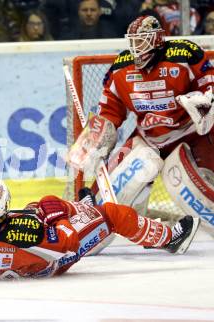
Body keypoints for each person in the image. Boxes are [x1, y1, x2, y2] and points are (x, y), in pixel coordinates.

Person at [67, 16, 214, 233]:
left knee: (206, 181)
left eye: (142, 41)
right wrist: (95, 140)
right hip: (148, 138)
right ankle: (89, 217)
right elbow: (110, 111)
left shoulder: (184, 54)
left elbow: (208, 81)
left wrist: (205, 99)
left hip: (190, 134)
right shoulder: (121, 67)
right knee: (109, 185)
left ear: (156, 39)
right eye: (133, 41)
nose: (136, 47)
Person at [0, 179, 200, 279]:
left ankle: (81, 207)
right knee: (112, 214)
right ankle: (168, 238)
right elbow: (68, 244)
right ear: (5, 206)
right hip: (50, 264)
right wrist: (57, 218)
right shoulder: (26, 232)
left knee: (35, 205)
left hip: (22, 264)